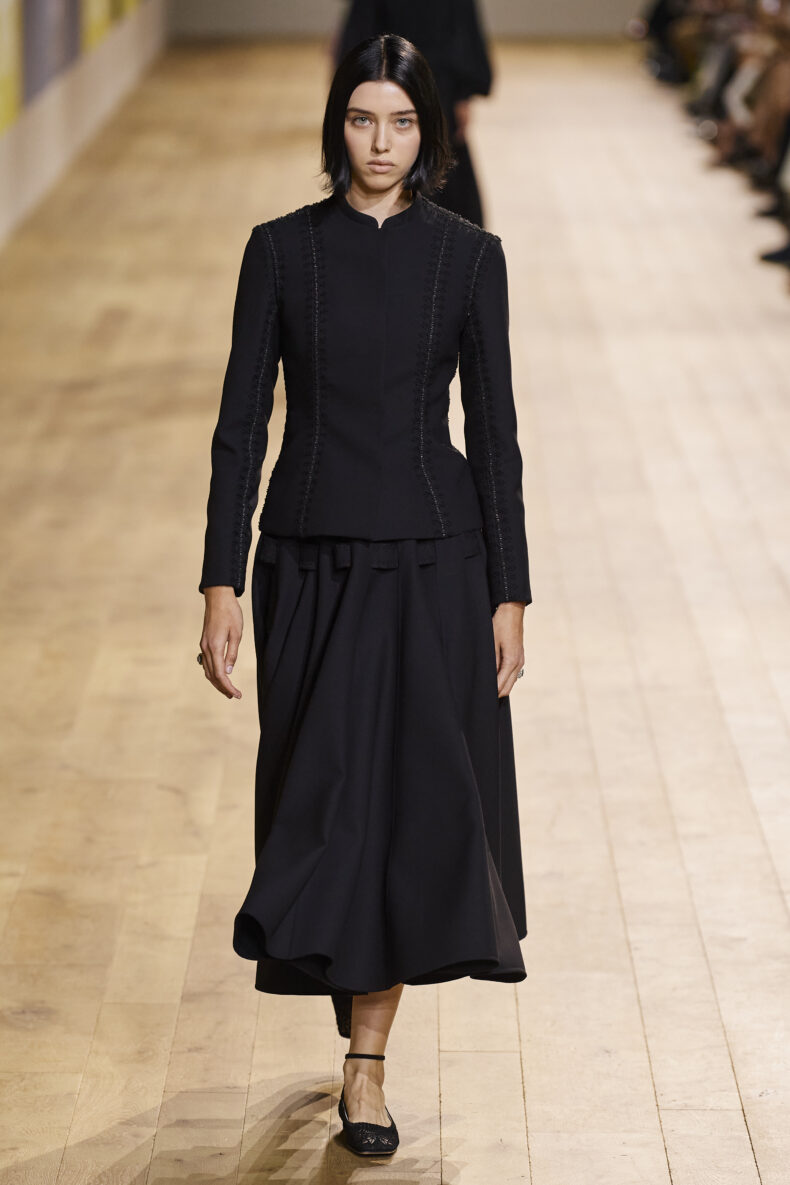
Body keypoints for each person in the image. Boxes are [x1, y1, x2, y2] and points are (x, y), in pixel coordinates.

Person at [197, 32, 532, 1157]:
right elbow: (240, 427)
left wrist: (511, 591)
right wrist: (220, 577)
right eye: (360, 119)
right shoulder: (280, 252)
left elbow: (495, 434)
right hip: (309, 561)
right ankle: (356, 1016)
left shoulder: (467, 257)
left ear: (426, 131)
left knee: (407, 804)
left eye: (400, 121)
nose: (379, 143)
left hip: (433, 562)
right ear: (335, 125)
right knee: (323, 800)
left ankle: (367, 1065)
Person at [333, 0, 493, 226]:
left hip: (436, 84)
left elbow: (460, 19)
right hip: (388, 79)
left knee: (437, 165)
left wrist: (463, 94)